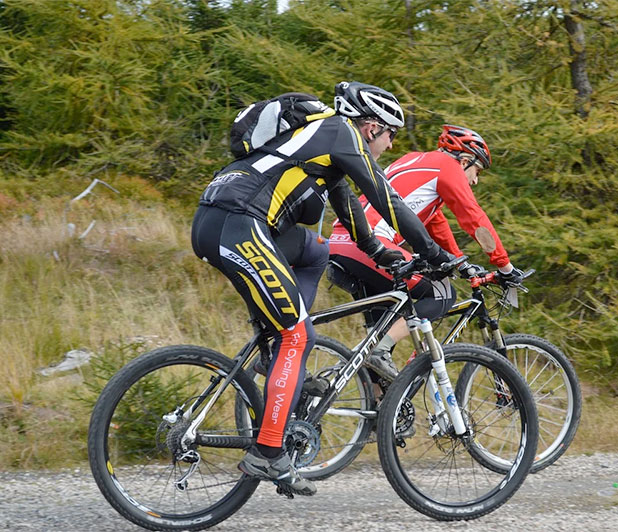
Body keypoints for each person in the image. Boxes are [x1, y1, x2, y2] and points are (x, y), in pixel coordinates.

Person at [191, 81, 453, 496]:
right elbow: (385, 197)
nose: (389, 145)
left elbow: (346, 203)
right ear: (371, 128)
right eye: (391, 135)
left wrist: (376, 251)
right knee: (296, 335)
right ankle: (268, 452)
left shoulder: (321, 143)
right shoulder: (340, 131)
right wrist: (435, 254)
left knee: (316, 250)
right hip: (238, 224)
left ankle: (275, 356)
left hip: (222, 219)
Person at [328, 124, 525, 380]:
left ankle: (376, 411)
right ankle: (380, 351)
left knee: (379, 337)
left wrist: (459, 263)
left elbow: (435, 224)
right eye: (476, 171)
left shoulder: (415, 161)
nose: (475, 180)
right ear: (465, 160)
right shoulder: (447, 166)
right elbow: (475, 220)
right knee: (442, 292)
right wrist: (505, 267)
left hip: (341, 241)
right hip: (369, 244)